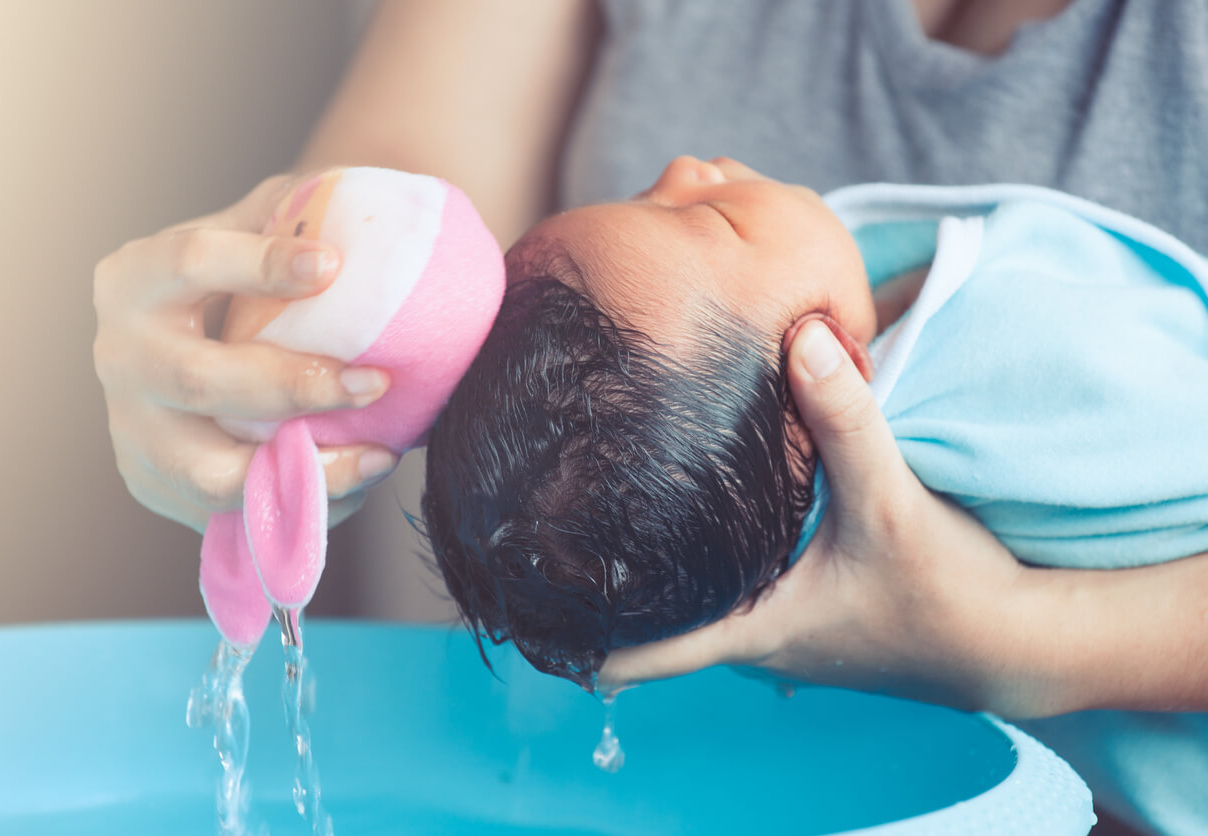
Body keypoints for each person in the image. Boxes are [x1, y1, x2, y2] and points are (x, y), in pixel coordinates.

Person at [92, 2, 1208, 832]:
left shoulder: (1032, 357)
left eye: (701, 219)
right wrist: (304, 308)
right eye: (683, 214)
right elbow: (421, 169)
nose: (683, 164)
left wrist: (1032, 642)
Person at [421, 154, 1208, 703]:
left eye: (641, 199)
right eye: (713, 218)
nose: (683, 169)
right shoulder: (1022, 358)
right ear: (830, 365)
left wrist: (1030, 641)